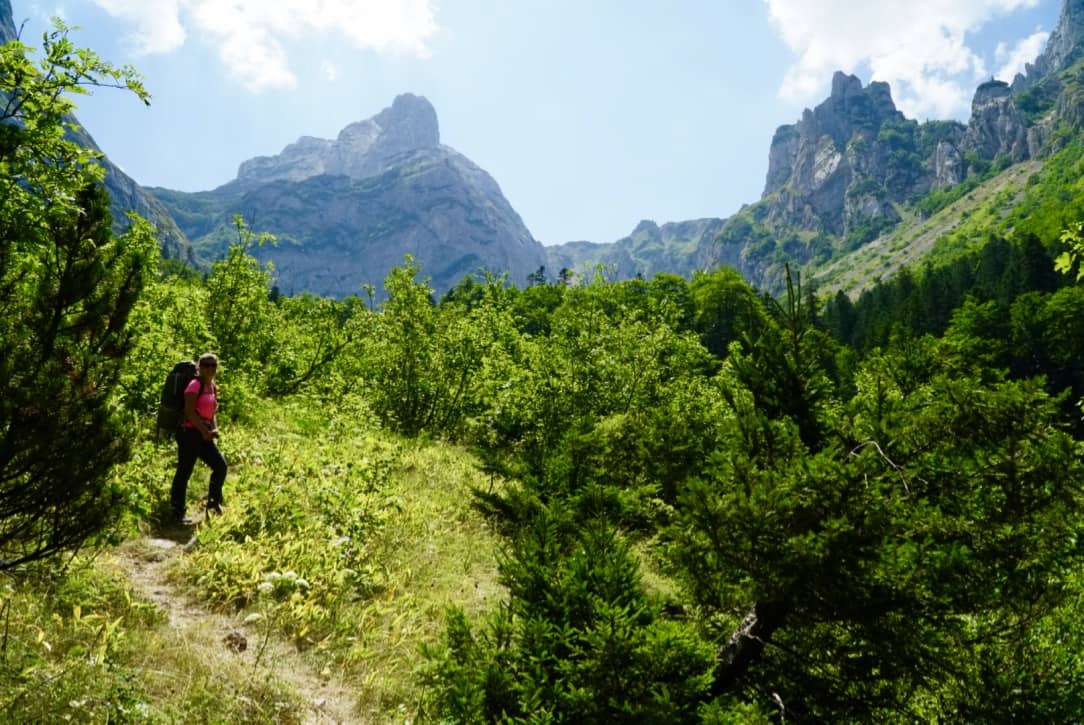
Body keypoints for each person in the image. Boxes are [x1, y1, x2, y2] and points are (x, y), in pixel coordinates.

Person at [170, 352, 227, 524]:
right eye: (206, 365)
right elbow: (189, 411)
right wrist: (204, 431)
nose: (210, 369)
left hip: (203, 433)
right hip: (188, 433)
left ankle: (213, 504)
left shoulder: (212, 386)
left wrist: (213, 428)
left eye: (213, 365)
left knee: (220, 466)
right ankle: (177, 511)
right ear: (199, 367)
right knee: (185, 471)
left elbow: (211, 412)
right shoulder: (195, 385)